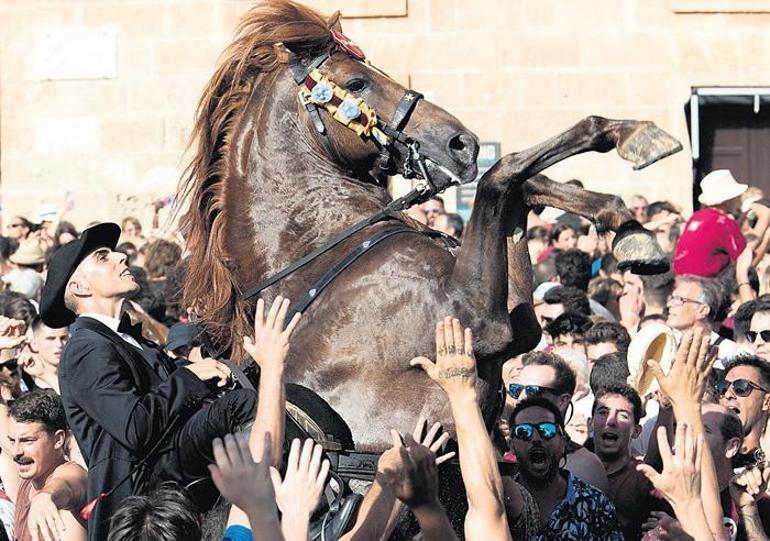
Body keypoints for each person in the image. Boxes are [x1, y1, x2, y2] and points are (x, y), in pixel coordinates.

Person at [38, 222, 300, 541]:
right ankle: (274, 504)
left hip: (170, 462)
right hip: (144, 496)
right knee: (239, 407)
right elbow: (136, 427)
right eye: (104, 257)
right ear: (80, 287)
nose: (121, 257)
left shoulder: (128, 339)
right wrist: (190, 377)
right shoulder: (85, 348)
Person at [508, 397, 623, 539]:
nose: (536, 438)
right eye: (523, 431)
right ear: (511, 445)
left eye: (547, 430)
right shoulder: (500, 503)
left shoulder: (595, 504)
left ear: (563, 442)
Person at [510, 351, 608, 491]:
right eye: (516, 390)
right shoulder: (503, 455)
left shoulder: (586, 466)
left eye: (533, 390)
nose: (521, 398)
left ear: (563, 401)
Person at [7, 390, 87, 541]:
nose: (16, 451)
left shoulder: (72, 472)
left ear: (58, 439)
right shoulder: (28, 479)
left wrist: (46, 496)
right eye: (12, 440)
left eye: (27, 441)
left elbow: (68, 484)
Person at [590, 383, 664, 540]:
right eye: (603, 412)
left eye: (623, 415)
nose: (610, 421)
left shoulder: (645, 483)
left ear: (636, 431)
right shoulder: (570, 471)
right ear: (590, 423)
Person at [674, 169, 747, 278]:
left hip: (680, 280)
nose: (737, 199)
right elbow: (745, 261)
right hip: (706, 283)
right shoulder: (724, 222)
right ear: (727, 200)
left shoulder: (696, 217)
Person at [667, 274, 738, 364]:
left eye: (679, 300)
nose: (669, 304)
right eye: (672, 298)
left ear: (703, 310)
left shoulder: (728, 353)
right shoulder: (667, 344)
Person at [717, 355, 770, 470]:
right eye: (723, 387)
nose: (728, 394)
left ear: (766, 401)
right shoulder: (706, 454)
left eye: (741, 387)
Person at [20, 316, 68, 393]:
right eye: (51, 339)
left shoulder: (81, 376)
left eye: (63, 338)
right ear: (34, 344)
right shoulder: (25, 384)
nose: (59, 344)